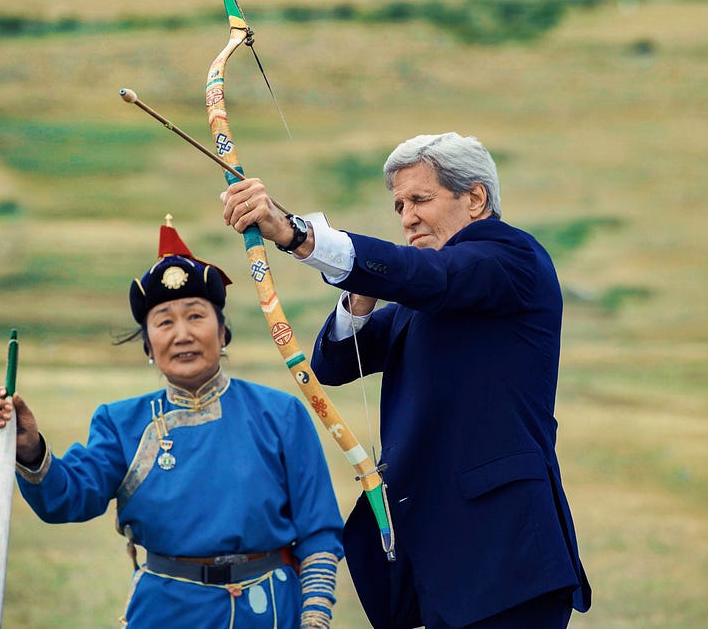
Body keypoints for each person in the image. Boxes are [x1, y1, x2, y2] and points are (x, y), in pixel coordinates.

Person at [221, 132, 591, 629]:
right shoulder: (427, 296)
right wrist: (359, 294)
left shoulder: (510, 258)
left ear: (475, 198)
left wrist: (294, 233)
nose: (407, 216)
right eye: (399, 205)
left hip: (507, 553)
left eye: (421, 199)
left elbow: (425, 274)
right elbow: (331, 365)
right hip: (442, 558)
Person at [0, 218, 344, 628]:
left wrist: (314, 618)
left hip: (268, 612)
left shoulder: (280, 414)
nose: (182, 335)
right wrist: (30, 448)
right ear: (148, 345)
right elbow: (68, 498)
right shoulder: (120, 423)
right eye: (164, 322)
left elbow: (319, 531)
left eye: (196, 316)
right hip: (163, 612)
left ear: (223, 332)